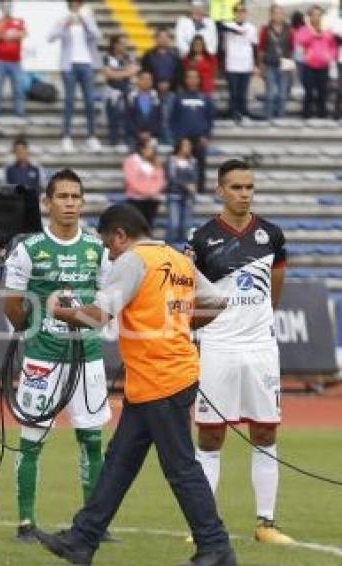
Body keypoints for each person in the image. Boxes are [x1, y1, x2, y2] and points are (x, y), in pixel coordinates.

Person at [33, 203, 235, 566]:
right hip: (161, 376)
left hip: (160, 378)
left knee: (181, 467)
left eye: (109, 245)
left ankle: (216, 546)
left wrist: (57, 310)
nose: (109, 253)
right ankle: (82, 540)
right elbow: (217, 303)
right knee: (119, 463)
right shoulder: (176, 259)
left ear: (121, 235)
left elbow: (96, 317)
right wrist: (176, 328)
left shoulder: (132, 260)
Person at [188, 159, 294, 546]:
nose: (244, 194)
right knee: (211, 437)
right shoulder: (201, 239)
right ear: (220, 190)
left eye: (249, 187)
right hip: (216, 346)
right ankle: (203, 526)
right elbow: (190, 294)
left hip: (260, 347)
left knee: (265, 431)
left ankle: (266, 522)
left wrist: (259, 322)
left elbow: (276, 286)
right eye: (235, 187)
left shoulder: (272, 234)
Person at [3, 169, 111, 542]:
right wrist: (37, 327)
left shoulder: (98, 249)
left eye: (75, 197)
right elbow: (12, 306)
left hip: (87, 356)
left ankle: (93, 524)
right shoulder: (29, 249)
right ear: (47, 203)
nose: (69, 203)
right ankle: (26, 522)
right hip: (43, 358)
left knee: (92, 439)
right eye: (62, 197)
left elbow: (106, 301)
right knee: (32, 438)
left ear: (82, 202)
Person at [49, 0, 101, 152]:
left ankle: (91, 136)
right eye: (73, 3)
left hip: (86, 63)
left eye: (78, 3)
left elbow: (97, 35)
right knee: (69, 101)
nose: (76, 5)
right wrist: (65, 24)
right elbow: (51, 37)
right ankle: (66, 136)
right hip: (69, 65)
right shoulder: (63, 19)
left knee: (90, 101)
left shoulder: (87, 19)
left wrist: (84, 21)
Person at [171, 67, 214, 192]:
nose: (192, 80)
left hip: (199, 138)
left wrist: (206, 135)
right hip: (183, 138)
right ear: (185, 80)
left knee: (199, 164)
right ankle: (179, 188)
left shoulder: (205, 97)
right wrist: (177, 136)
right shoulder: (179, 97)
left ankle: (199, 189)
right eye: (189, 77)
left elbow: (209, 118)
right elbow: (173, 118)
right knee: (180, 164)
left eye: (195, 77)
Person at [0, 0, 27, 118]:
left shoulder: (19, 21)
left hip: (15, 62)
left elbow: (23, 34)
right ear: (0, 7)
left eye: (9, 5)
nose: (7, 7)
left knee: (18, 89)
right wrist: (4, 22)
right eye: (4, 5)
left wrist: (9, 36)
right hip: (0, 61)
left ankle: (20, 113)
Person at [296, 5, 335, 119]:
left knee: (322, 93)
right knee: (308, 92)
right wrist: (312, 35)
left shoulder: (327, 31)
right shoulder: (305, 30)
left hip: (323, 66)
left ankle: (322, 116)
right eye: (314, 15)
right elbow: (300, 41)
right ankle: (306, 116)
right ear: (310, 17)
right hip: (309, 66)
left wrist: (330, 56)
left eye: (318, 15)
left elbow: (333, 47)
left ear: (321, 16)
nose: (316, 17)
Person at [221, 3, 258, 122]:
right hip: (232, 64)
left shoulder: (251, 28)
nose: (240, 14)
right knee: (233, 92)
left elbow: (254, 47)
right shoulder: (227, 26)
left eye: (243, 11)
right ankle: (233, 112)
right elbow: (217, 25)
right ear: (234, 13)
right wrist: (234, 30)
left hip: (246, 64)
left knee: (243, 91)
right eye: (238, 11)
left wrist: (255, 64)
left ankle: (243, 111)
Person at [102, 34, 138, 148]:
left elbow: (134, 70)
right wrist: (124, 73)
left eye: (125, 43)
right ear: (115, 44)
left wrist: (117, 73)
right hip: (113, 92)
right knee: (113, 116)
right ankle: (114, 140)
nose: (124, 46)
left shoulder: (129, 57)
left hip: (127, 90)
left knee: (129, 117)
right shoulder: (107, 57)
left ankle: (129, 140)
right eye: (122, 43)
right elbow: (108, 74)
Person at [259, 5, 294, 121]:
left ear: (283, 15)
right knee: (270, 93)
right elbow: (261, 49)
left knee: (283, 94)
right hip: (270, 64)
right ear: (271, 15)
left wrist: (291, 65)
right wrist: (261, 65)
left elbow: (291, 49)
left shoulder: (289, 30)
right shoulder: (265, 29)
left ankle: (280, 118)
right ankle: (269, 117)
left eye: (280, 13)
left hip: (285, 64)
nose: (278, 15)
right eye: (275, 13)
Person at [123, 137, 164, 229]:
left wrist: (152, 191)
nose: (151, 150)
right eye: (149, 148)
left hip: (152, 200)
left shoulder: (156, 162)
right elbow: (131, 180)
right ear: (142, 148)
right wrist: (145, 191)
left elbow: (160, 180)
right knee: (136, 225)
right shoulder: (131, 161)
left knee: (149, 225)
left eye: (153, 148)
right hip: (136, 199)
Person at [165, 139, 199, 244]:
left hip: (188, 197)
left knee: (186, 226)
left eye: (189, 145)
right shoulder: (172, 160)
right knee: (174, 224)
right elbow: (172, 178)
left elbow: (195, 178)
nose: (188, 148)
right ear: (179, 146)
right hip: (174, 195)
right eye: (185, 145)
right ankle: (168, 246)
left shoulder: (193, 161)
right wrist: (186, 185)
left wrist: (193, 189)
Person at [125, 70, 162, 146]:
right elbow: (128, 119)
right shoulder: (131, 97)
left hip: (152, 136)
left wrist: (150, 133)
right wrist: (138, 133)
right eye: (143, 79)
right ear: (138, 81)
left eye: (149, 79)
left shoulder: (156, 97)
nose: (146, 81)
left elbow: (159, 119)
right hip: (134, 136)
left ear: (152, 82)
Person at [141, 28, 183, 93]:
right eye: (160, 37)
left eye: (166, 37)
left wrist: (170, 84)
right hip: (152, 90)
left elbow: (179, 74)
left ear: (169, 39)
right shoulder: (148, 55)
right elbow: (145, 73)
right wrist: (157, 84)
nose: (163, 39)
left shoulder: (176, 55)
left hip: (172, 91)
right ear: (156, 39)